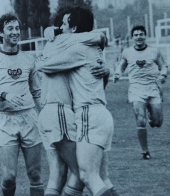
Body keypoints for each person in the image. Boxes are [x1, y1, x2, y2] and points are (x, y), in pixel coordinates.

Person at [38, 6, 119, 196]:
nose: (59, 28)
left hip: (87, 113)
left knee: (85, 176)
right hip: (94, 113)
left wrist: (41, 58)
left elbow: (45, 66)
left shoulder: (76, 48)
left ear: (73, 29)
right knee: (95, 176)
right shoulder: (89, 48)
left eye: (63, 25)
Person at [0, 13, 44, 196]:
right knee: (9, 176)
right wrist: (3, 95)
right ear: (1, 33)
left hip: (29, 118)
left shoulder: (28, 59)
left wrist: (45, 116)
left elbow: (37, 92)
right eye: (10, 28)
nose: (16, 32)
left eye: (17, 28)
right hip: (4, 121)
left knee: (35, 174)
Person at [114, 25, 168, 159]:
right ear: (132, 37)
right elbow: (121, 66)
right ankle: (145, 151)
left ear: (145, 36)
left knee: (157, 123)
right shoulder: (127, 52)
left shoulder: (154, 51)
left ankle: (151, 114)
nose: (139, 37)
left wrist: (163, 75)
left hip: (152, 87)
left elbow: (163, 66)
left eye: (141, 34)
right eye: (136, 35)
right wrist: (117, 74)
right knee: (140, 119)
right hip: (136, 88)